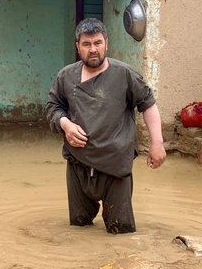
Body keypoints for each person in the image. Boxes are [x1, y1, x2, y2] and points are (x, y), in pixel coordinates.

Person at [45, 18, 166, 234]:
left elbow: (148, 105)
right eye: (86, 44)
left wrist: (157, 143)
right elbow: (53, 107)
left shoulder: (125, 74)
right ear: (77, 47)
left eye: (97, 43)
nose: (93, 50)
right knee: (79, 230)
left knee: (121, 232)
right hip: (78, 164)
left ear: (106, 43)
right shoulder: (66, 76)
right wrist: (65, 124)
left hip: (116, 165)